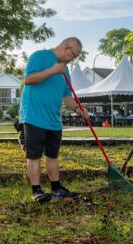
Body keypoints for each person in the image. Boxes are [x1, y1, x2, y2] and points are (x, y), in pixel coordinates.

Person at [20, 37, 89, 203]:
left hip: (54, 119)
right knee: (34, 156)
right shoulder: (39, 56)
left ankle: (56, 188)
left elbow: (67, 97)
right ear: (65, 47)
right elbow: (28, 80)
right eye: (74, 54)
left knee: (52, 155)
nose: (74, 58)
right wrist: (52, 70)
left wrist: (78, 109)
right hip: (34, 116)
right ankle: (36, 190)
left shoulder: (65, 71)